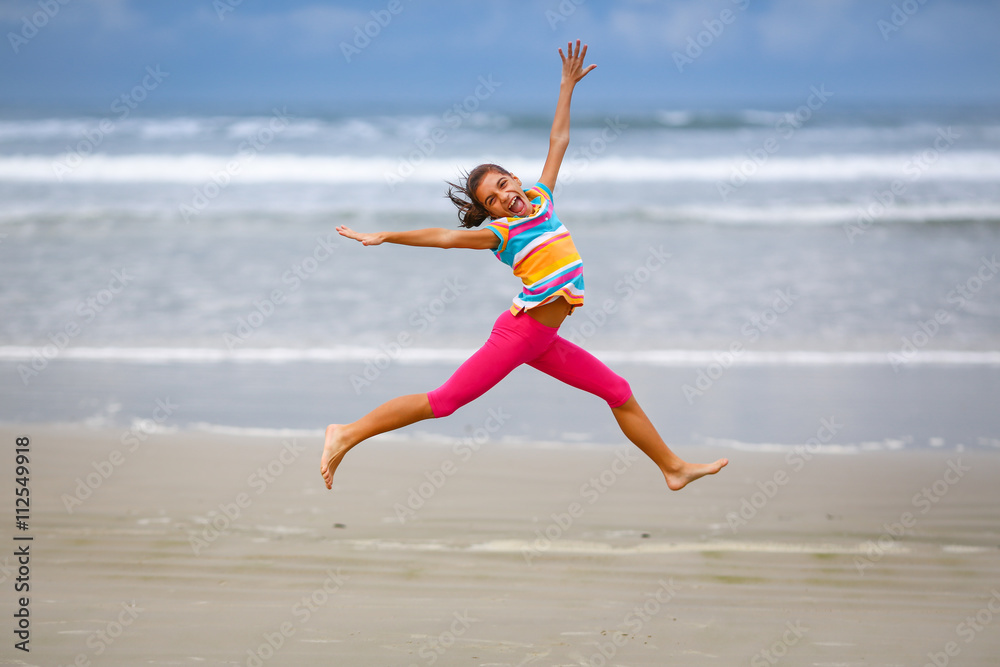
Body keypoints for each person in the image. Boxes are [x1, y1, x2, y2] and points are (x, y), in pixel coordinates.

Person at [322, 40, 727, 492]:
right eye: (492, 201)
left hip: (543, 339)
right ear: (492, 213)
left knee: (618, 392)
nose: (502, 198)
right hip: (519, 335)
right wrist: (386, 235)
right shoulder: (503, 234)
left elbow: (559, 141)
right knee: (445, 401)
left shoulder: (542, 199)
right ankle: (347, 432)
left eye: (501, 185)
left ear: (515, 177)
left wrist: (566, 86)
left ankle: (672, 468)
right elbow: (446, 238)